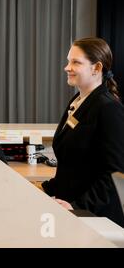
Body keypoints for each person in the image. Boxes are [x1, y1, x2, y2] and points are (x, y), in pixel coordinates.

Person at [40, 37, 124, 227]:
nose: (67, 67)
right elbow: (73, 166)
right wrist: (45, 188)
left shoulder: (108, 108)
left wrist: (77, 207)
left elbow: (115, 175)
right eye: (68, 61)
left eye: (76, 62)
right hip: (68, 208)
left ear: (96, 68)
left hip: (93, 218)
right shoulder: (78, 101)